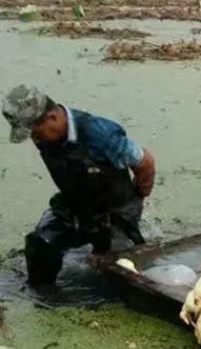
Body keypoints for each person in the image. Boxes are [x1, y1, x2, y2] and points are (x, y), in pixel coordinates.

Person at [2, 85, 156, 286]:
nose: (35, 139)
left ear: (52, 118)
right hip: (74, 204)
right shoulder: (46, 137)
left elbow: (145, 162)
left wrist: (137, 198)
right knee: (40, 245)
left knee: (119, 274)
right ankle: (45, 299)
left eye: (35, 133)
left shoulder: (100, 134)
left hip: (115, 209)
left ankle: (124, 240)